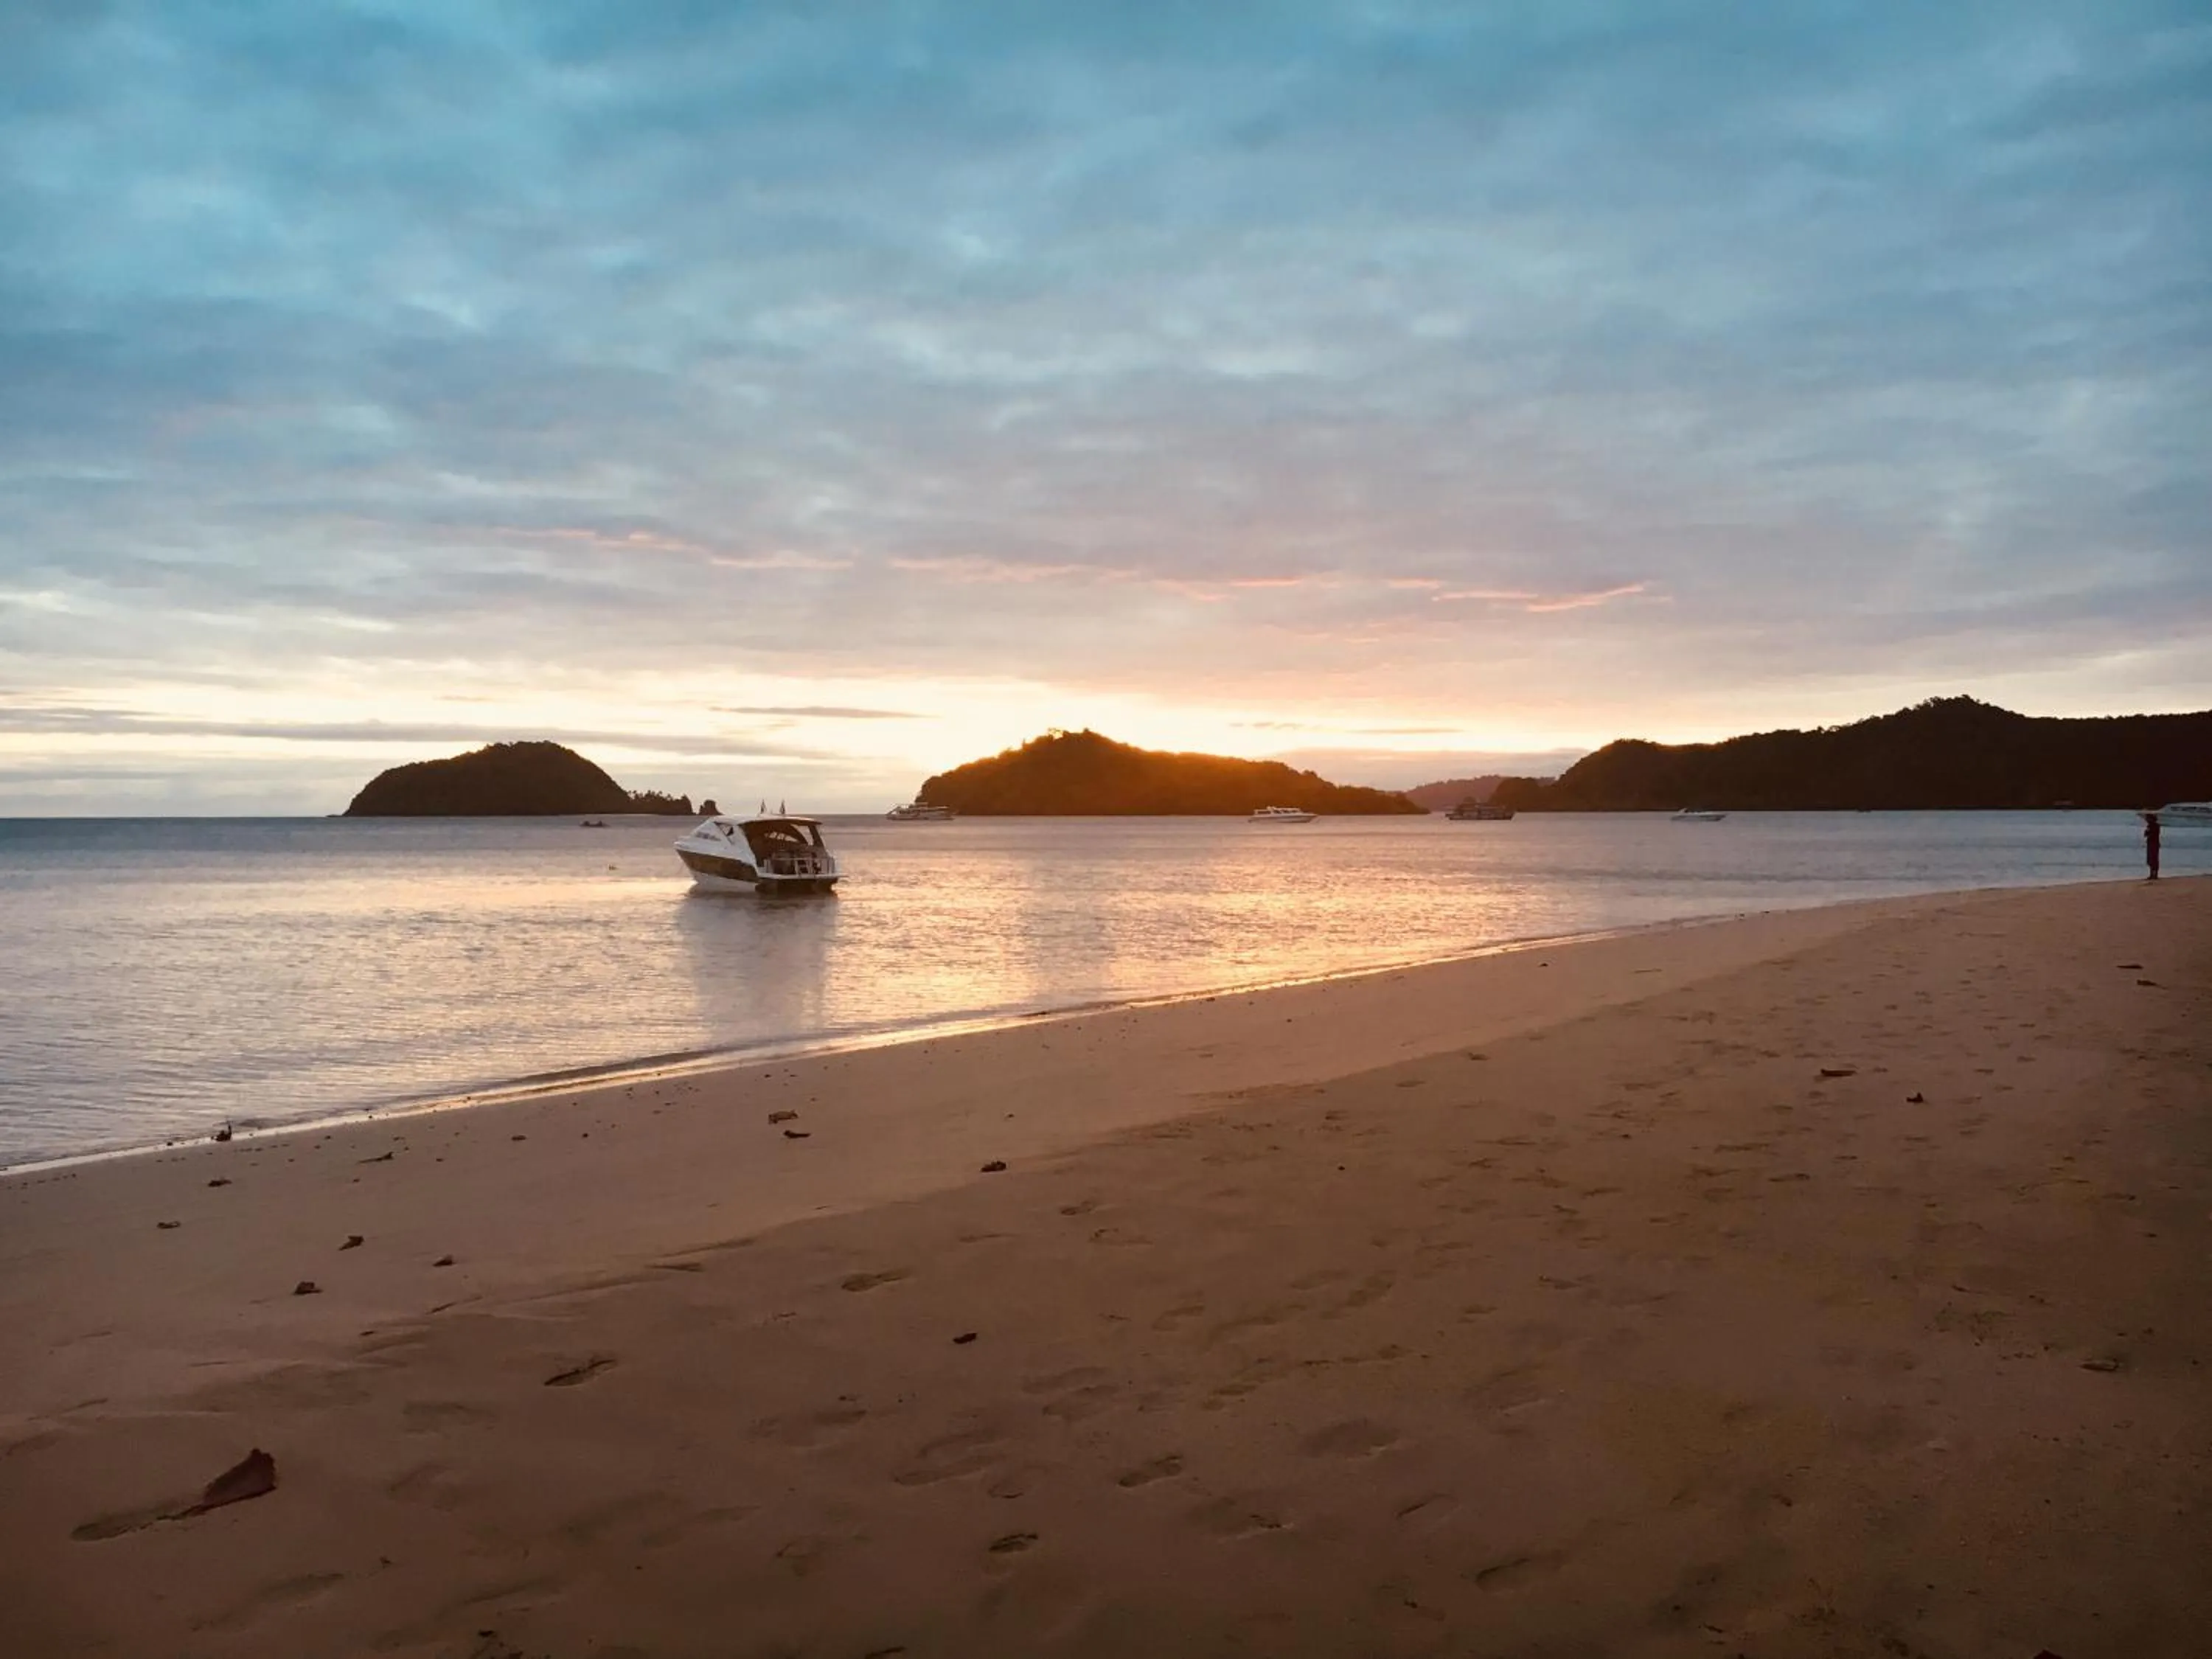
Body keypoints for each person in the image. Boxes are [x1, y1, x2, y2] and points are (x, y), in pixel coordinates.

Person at [2143, 810, 2161, 881]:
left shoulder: (2153, 826)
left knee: (2153, 859)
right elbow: (2146, 834)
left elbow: (2147, 834)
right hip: (2153, 843)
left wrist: (2148, 832)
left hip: (2153, 843)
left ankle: (2153, 874)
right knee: (2153, 859)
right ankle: (2154, 874)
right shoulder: (2154, 826)